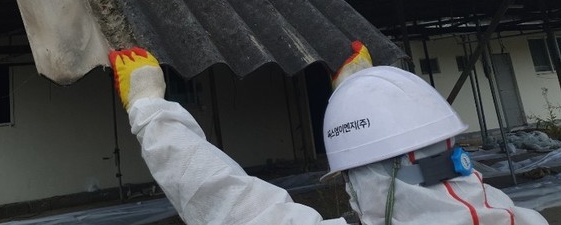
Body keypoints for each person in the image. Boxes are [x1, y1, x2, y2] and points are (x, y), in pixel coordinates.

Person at [109, 46, 549, 225]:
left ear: (362, 181)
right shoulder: (524, 220)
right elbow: (437, 180)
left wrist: (149, 107)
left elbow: (227, 202)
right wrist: (366, 96)